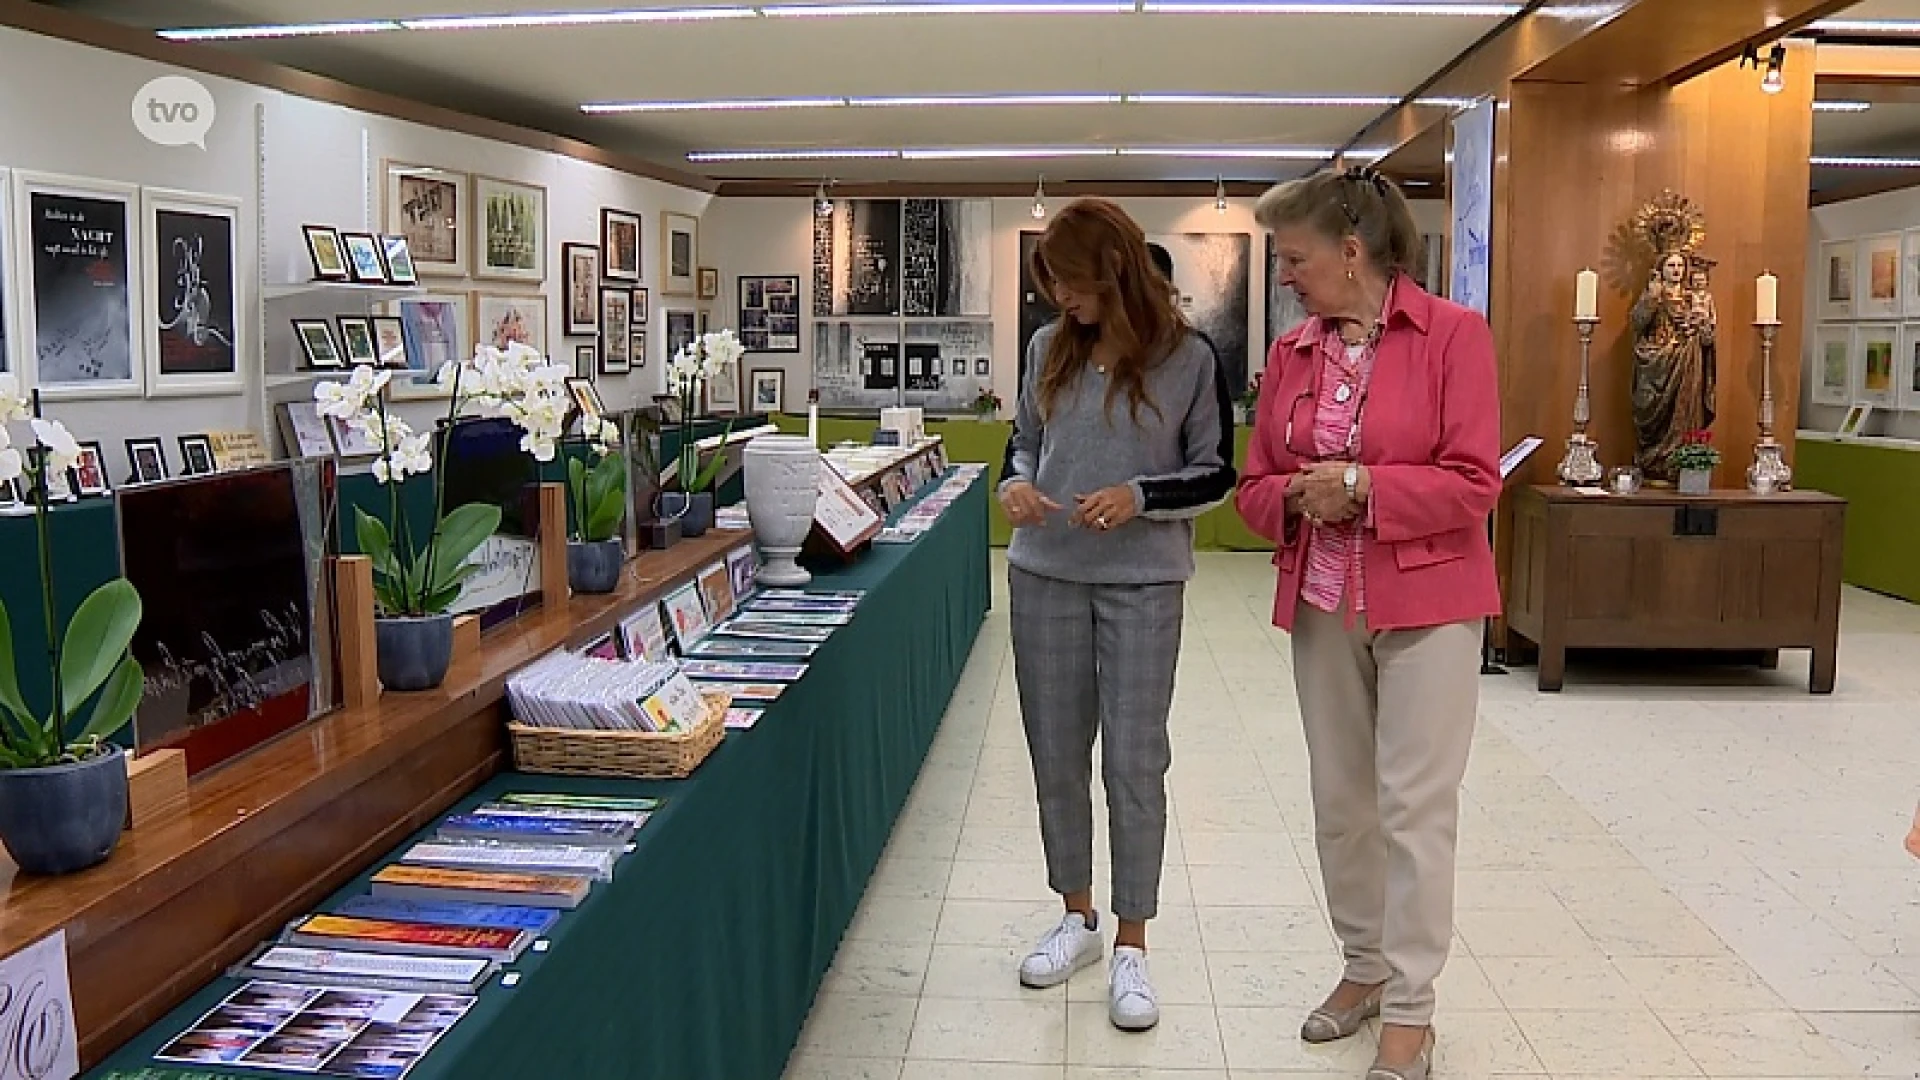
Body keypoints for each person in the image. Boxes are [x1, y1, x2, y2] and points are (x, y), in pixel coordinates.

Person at [1235, 167, 1501, 1080]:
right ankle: (1364, 969)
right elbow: (1255, 485)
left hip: (1430, 603)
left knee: (1415, 810)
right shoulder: (1290, 357)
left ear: (1352, 253)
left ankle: (1414, 1014)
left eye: (1294, 257)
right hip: (1322, 602)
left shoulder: (1454, 338)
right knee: (1343, 805)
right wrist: (1298, 499)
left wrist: (1363, 487)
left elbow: (1475, 482)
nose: (1284, 276)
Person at [998, 197, 1235, 1032]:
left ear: (1116, 270)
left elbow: (1214, 476)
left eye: (1071, 281)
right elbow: (1020, 443)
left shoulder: (1191, 359)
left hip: (1143, 584)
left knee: (1134, 764)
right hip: (1045, 577)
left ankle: (1133, 942)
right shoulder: (1045, 350)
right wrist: (1014, 486)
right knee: (1056, 756)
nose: (1060, 298)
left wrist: (1138, 497)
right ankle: (1077, 915)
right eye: (1051, 284)